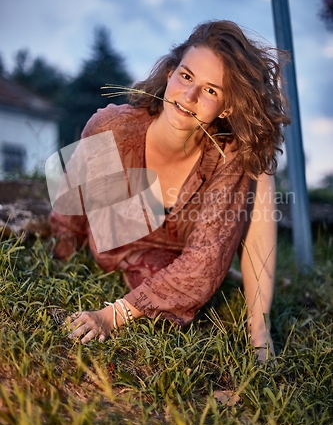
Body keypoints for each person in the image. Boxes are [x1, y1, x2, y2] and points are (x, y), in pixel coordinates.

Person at [50, 20, 290, 361]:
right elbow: (72, 200)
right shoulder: (112, 126)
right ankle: (229, 273)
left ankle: (259, 329)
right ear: (169, 74)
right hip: (122, 248)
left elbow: (200, 270)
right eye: (186, 76)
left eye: (210, 90)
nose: (188, 97)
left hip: (187, 253)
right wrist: (60, 252)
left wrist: (111, 316)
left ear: (227, 107)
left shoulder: (226, 154)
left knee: (258, 172)